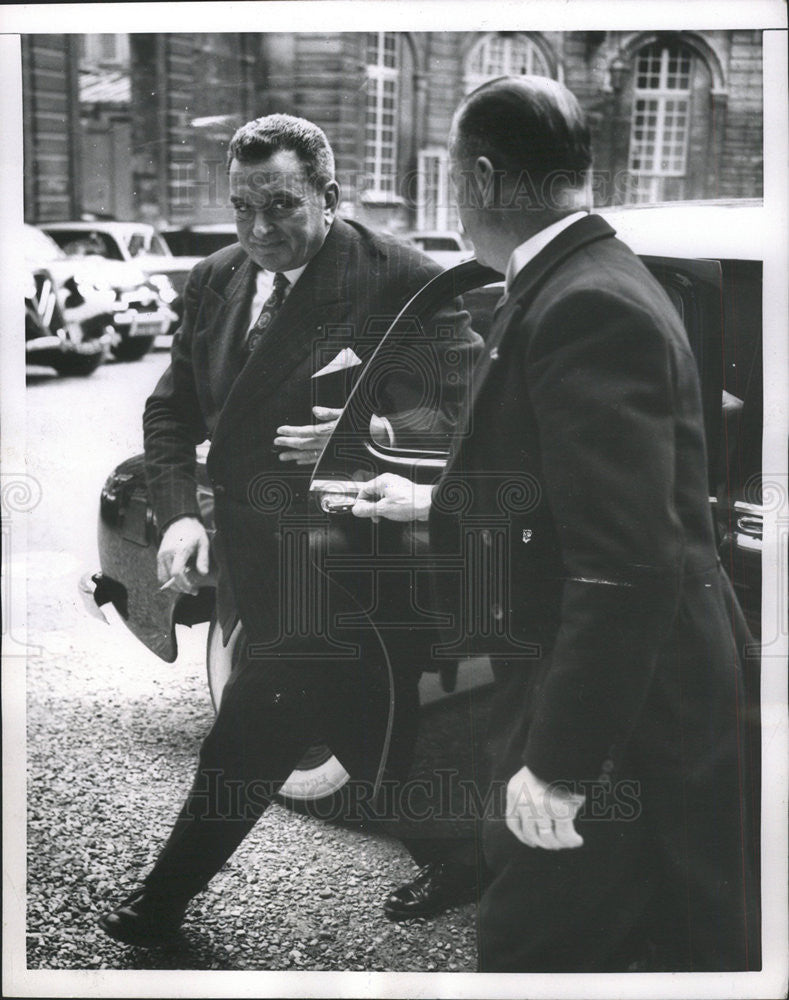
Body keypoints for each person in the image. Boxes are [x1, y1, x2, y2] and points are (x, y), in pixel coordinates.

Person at [351, 77, 760, 972]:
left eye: (453, 179)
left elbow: (626, 565)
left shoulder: (584, 303)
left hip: (622, 710)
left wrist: (561, 764)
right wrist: (434, 501)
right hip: (641, 687)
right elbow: (576, 496)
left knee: (533, 953)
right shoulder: (587, 280)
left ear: (488, 180)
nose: (454, 203)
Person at [98, 114, 484, 947]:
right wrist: (178, 517)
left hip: (348, 556)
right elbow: (171, 409)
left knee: (255, 722)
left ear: (329, 196)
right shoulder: (215, 277)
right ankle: (458, 848)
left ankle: (160, 905)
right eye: (242, 207)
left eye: (280, 206)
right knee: (349, 719)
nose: (259, 230)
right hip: (249, 547)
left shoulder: (405, 279)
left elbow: (462, 413)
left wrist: (367, 432)